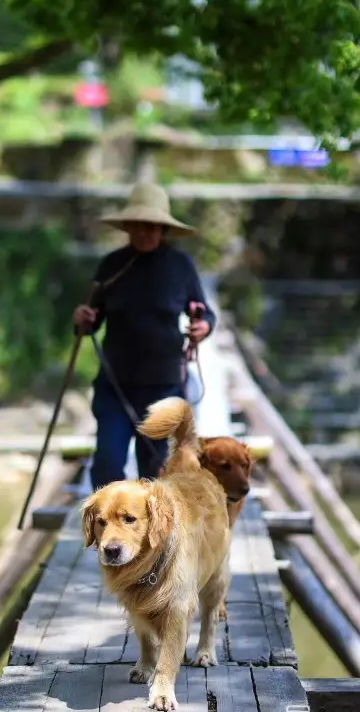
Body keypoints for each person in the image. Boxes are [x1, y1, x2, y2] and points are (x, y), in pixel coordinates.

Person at [72, 182, 216, 490]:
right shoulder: (112, 265)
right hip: (115, 386)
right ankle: (106, 535)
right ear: (128, 226)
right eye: (138, 226)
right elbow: (91, 321)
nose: (145, 233)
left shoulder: (180, 266)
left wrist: (203, 327)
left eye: (152, 226)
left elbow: (205, 313)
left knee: (154, 471)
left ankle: (149, 537)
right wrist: (81, 319)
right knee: (108, 464)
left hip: (163, 387)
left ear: (162, 229)